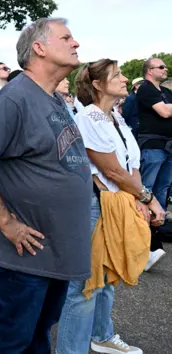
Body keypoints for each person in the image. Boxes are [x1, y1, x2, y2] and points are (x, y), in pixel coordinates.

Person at [0, 17, 92, 354]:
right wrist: (6, 222)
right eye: (66, 37)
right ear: (39, 48)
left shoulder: (53, 99)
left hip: (56, 251)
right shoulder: (15, 97)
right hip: (29, 255)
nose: (76, 43)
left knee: (37, 338)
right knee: (14, 341)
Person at [55, 59, 165, 354]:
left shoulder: (115, 117)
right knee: (84, 286)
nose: (125, 79)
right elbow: (112, 171)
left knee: (105, 279)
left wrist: (137, 199)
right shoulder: (89, 118)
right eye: (117, 75)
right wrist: (148, 199)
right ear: (97, 84)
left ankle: (101, 336)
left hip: (118, 202)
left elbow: (132, 164)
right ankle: (71, 350)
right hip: (95, 205)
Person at [135, 56, 172, 268]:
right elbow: (165, 111)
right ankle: (144, 246)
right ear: (149, 71)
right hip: (153, 148)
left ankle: (152, 243)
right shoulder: (146, 89)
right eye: (161, 66)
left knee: (161, 195)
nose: (165, 69)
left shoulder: (165, 92)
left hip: (168, 148)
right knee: (145, 195)